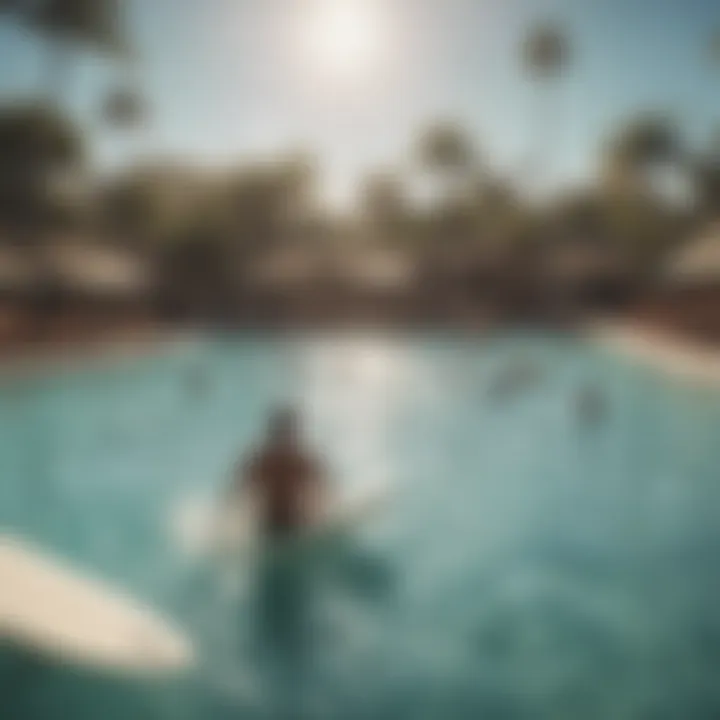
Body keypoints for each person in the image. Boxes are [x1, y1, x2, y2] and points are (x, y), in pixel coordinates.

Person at [235, 407, 326, 536]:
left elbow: (320, 482)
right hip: (271, 522)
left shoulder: (297, 460)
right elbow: (241, 487)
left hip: (295, 519)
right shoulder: (265, 462)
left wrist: (322, 514)